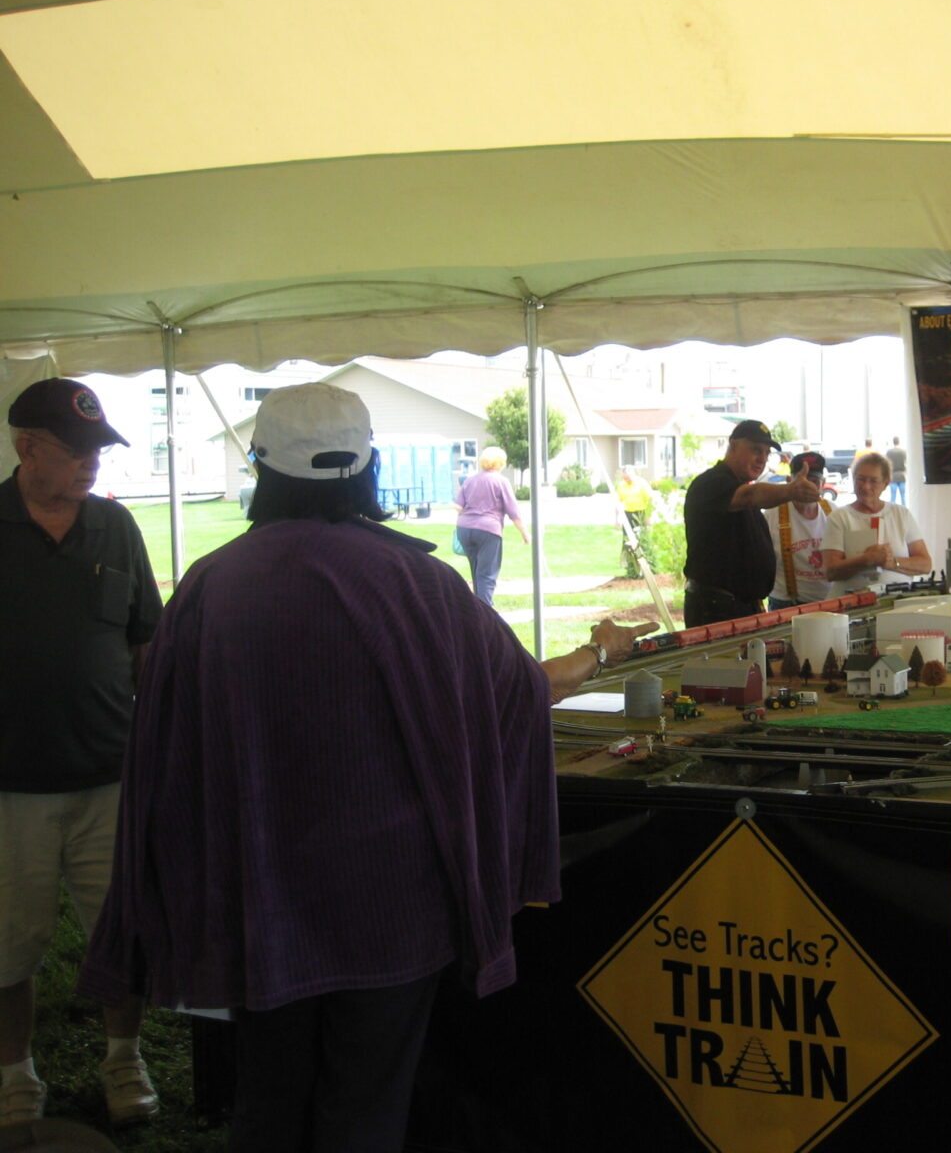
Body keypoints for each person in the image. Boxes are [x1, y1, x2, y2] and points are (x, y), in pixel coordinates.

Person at [77, 382, 655, 1153]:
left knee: (269, 1095)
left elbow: (165, 745)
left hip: (257, 895)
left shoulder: (211, 587)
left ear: (261, 467)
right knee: (367, 1102)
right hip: (390, 905)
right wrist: (600, 652)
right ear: (368, 466)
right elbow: (517, 694)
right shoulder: (419, 584)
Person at [1, 378, 162, 1128]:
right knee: (9, 944)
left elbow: (145, 642)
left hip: (110, 775)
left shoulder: (115, 526)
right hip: (11, 785)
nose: (91, 463)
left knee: (118, 931)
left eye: (98, 449)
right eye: (76, 451)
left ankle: (124, 1060)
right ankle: (14, 1074)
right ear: (26, 448)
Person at [682, 419, 819, 627]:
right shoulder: (711, 483)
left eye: (766, 453)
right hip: (715, 608)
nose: (762, 459)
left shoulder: (739, 487)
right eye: (756, 450)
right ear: (734, 446)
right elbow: (751, 495)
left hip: (740, 607)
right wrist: (791, 491)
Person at [821, 451, 932, 596]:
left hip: (898, 601)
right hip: (853, 603)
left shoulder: (901, 514)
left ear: (885, 484)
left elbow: (925, 564)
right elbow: (830, 571)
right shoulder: (839, 518)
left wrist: (892, 562)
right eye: (861, 479)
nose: (866, 486)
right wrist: (866, 560)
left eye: (873, 481)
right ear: (853, 479)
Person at [454, 446, 529, 605]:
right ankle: (486, 611)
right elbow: (513, 511)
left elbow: (458, 507)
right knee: (487, 574)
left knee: (476, 571)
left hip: (464, 530)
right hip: (488, 530)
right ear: (500, 463)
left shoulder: (470, 480)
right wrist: (525, 534)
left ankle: (477, 609)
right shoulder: (501, 481)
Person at [765, 451, 834, 611]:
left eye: (814, 481)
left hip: (830, 601)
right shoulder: (772, 515)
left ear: (823, 484)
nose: (809, 487)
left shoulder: (835, 513)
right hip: (785, 604)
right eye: (803, 481)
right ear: (789, 481)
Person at [886, 436, 909, 505]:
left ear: (893, 442)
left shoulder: (889, 452)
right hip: (901, 475)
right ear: (899, 442)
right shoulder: (903, 452)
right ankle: (904, 510)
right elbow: (906, 463)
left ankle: (891, 511)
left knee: (893, 497)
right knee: (903, 496)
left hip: (892, 476)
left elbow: (886, 464)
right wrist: (906, 473)